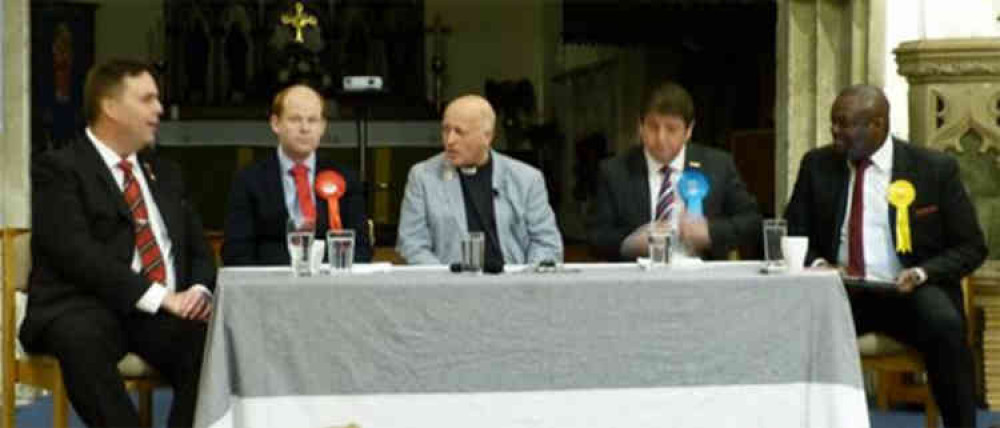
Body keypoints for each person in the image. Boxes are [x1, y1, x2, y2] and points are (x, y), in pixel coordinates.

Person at [21, 59, 215, 428]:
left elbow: (198, 249)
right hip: (83, 304)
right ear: (110, 107)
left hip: (159, 313)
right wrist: (160, 296)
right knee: (81, 340)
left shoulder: (167, 172)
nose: (159, 109)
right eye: (147, 99)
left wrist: (200, 291)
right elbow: (76, 255)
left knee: (211, 345)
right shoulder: (59, 169)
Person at [784, 85, 987, 428]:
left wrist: (923, 272)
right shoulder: (817, 164)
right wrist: (820, 266)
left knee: (945, 325)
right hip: (841, 293)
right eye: (833, 123)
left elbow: (971, 247)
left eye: (844, 124)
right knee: (789, 324)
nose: (834, 132)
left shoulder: (933, 169)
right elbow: (793, 231)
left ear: (877, 124)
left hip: (911, 290)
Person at [588, 80, 761, 261]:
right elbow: (596, 237)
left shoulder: (718, 166)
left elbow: (752, 222)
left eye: (671, 129)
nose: (661, 138)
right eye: (653, 127)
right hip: (639, 281)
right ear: (640, 126)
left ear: (688, 131)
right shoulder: (614, 172)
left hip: (703, 280)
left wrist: (710, 233)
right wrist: (630, 243)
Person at [397, 94, 563, 266]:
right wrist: (445, 282)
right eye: (446, 130)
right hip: (448, 286)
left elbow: (546, 243)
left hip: (511, 285)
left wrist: (525, 281)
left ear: (487, 136)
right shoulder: (423, 177)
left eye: (459, 132)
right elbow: (412, 244)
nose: (450, 140)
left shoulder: (527, 179)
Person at [222, 84, 371, 265]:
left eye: (312, 120)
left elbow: (362, 249)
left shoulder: (346, 178)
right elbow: (236, 252)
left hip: (331, 284)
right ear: (275, 123)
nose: (305, 128)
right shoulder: (248, 180)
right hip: (270, 286)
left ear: (323, 126)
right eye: (295, 119)